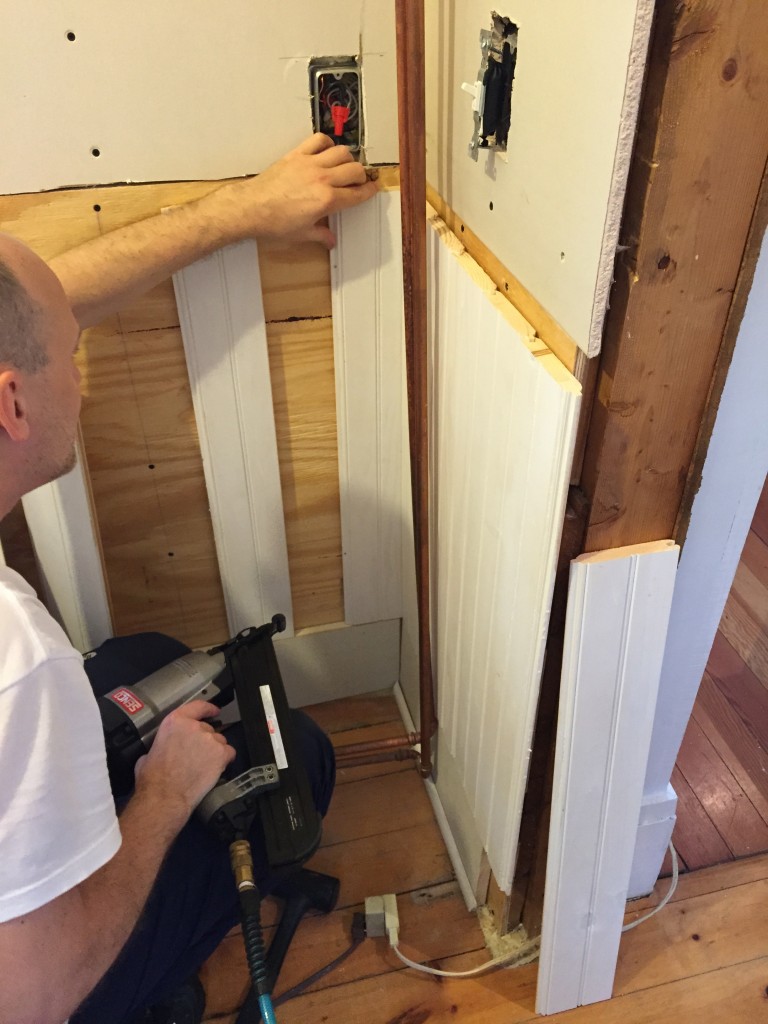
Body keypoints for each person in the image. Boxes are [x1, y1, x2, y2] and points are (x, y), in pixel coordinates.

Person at [0, 133, 378, 1024]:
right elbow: (30, 998)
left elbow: (38, 301)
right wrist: (162, 797)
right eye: (72, 357)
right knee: (298, 761)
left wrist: (247, 208)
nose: (84, 389)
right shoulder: (16, 656)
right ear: (11, 402)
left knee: (148, 658)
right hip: (37, 991)